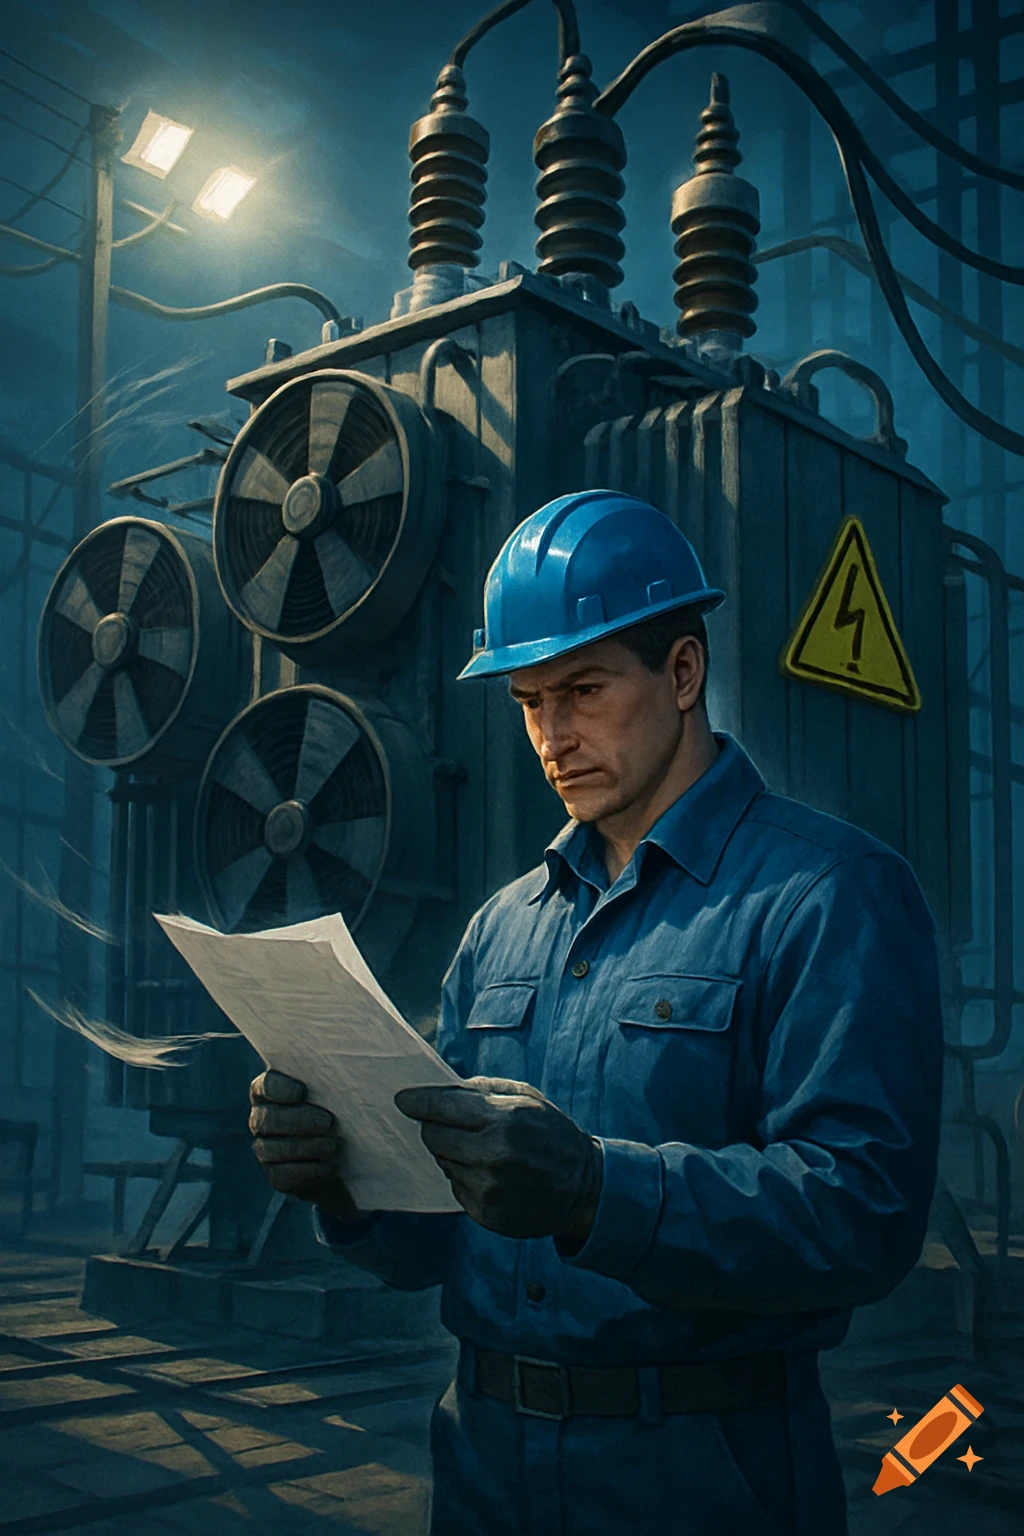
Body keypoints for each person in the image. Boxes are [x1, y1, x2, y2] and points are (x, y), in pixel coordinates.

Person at [248, 490, 944, 1536]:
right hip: (484, 1462)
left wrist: (594, 1191)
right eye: (528, 701)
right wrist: (345, 1181)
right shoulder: (501, 931)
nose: (551, 736)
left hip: (703, 1478)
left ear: (681, 672)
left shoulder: (827, 894)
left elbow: (862, 1217)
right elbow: (440, 1238)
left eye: (580, 689)